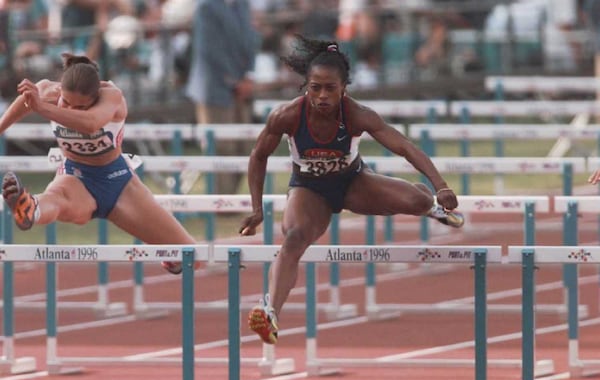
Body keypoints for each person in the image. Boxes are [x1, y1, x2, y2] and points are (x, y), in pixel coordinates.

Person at [239, 35, 465, 345]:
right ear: (305, 86)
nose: (321, 96)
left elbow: (403, 146)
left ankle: (429, 204)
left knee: (415, 200)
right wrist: (256, 208)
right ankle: (270, 312)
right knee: (294, 239)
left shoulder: (357, 114)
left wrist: (441, 185)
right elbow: (258, 156)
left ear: (344, 88)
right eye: (314, 87)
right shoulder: (287, 115)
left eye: (330, 88)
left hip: (352, 183)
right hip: (309, 190)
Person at [0, 53, 198, 274]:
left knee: (191, 256)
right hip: (76, 177)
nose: (70, 110)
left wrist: (42, 108)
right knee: (56, 198)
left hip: (119, 183)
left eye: (80, 107)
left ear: (95, 98)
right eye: (66, 102)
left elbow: (91, 124)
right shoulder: (48, 91)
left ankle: (172, 258)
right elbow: (24, 102)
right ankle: (30, 208)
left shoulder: (112, 97)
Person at [184, 0, 260, 194]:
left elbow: (250, 39)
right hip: (214, 88)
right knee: (220, 146)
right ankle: (220, 202)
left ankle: (229, 200)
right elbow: (210, 49)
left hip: (241, 86)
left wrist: (249, 74)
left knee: (245, 146)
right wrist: (234, 80)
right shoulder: (206, 7)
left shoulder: (242, 5)